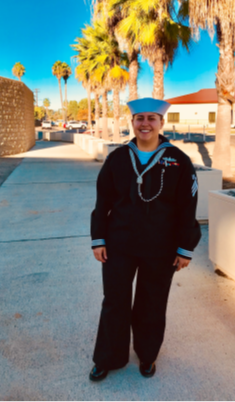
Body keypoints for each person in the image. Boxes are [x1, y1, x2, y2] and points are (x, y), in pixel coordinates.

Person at [89, 98, 201, 381]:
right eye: (140, 118)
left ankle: (147, 355)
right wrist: (99, 238)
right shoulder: (117, 158)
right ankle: (108, 358)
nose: (145, 123)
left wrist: (185, 248)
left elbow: (188, 207)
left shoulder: (178, 160)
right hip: (118, 245)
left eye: (152, 118)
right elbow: (102, 201)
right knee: (114, 301)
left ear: (161, 123)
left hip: (160, 249)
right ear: (132, 123)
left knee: (152, 303)